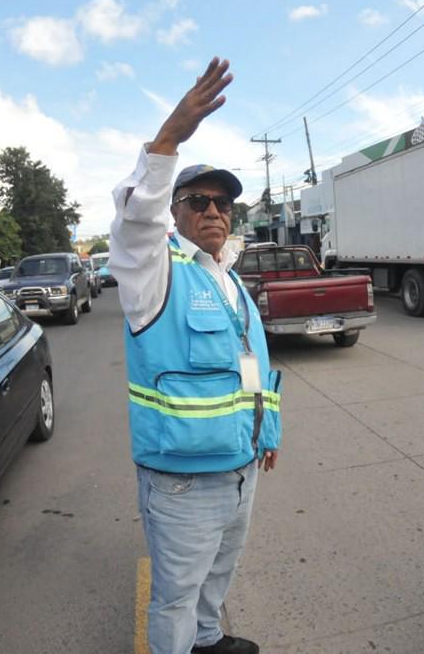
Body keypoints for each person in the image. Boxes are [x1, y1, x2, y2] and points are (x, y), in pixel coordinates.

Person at [110, 57, 281, 654]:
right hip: (183, 480)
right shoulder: (153, 272)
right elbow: (136, 219)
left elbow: (249, 363)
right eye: (198, 202)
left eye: (223, 203)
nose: (213, 211)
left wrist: (267, 430)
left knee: (216, 581)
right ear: (175, 215)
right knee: (175, 596)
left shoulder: (227, 278)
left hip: (239, 467)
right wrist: (168, 140)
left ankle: (208, 643)